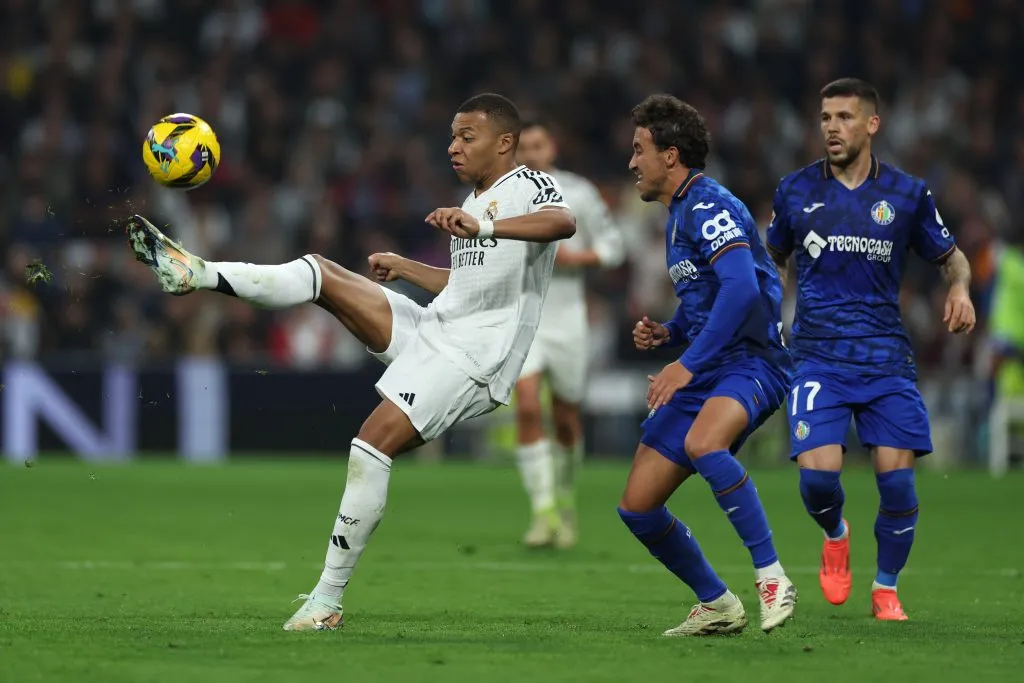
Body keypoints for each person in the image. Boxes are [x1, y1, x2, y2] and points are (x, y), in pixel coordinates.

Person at [126, 93, 575, 631]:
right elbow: (471, 286)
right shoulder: (474, 200)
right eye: (452, 136)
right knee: (321, 272)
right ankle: (197, 273)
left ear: (505, 143)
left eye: (467, 137)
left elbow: (562, 222)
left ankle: (326, 601)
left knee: (370, 445)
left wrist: (482, 228)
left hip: (478, 355)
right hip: (439, 329)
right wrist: (409, 267)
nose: (453, 147)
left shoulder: (527, 184)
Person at [766, 78, 976, 621]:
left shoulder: (908, 194)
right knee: (817, 480)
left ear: (871, 124)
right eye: (824, 117)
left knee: (899, 484)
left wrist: (959, 288)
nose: (831, 128)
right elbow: (773, 258)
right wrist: (768, 310)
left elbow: (952, 257)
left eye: (843, 117)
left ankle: (885, 587)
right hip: (817, 356)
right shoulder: (794, 190)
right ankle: (836, 532)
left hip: (886, 359)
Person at [623, 94, 797, 636]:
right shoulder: (678, 217)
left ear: (670, 156)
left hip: (753, 362)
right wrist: (671, 333)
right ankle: (717, 603)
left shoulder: (708, 204)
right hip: (708, 363)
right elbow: (710, 295)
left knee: (704, 445)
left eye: (639, 150)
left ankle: (772, 578)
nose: (632, 162)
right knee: (638, 507)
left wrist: (685, 363)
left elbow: (744, 287)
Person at [510, 118, 625, 548]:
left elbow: (615, 247)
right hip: (524, 316)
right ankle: (542, 514)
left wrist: (580, 259)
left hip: (568, 319)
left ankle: (565, 500)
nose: (532, 156)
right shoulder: (505, 196)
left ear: (552, 148)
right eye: (524, 149)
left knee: (566, 419)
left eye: (538, 146)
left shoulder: (579, 192)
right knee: (525, 406)